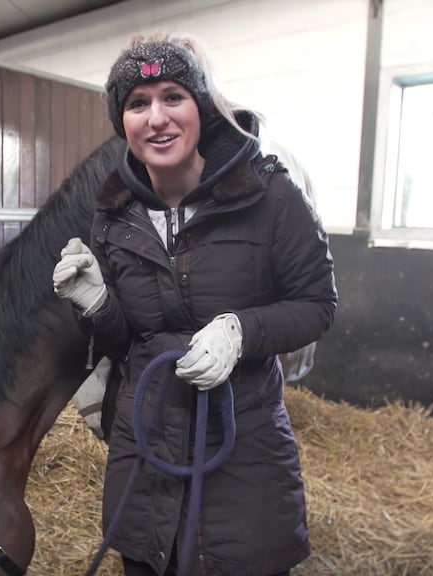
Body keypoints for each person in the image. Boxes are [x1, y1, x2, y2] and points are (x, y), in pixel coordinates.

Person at [52, 33, 337, 576]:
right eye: (138, 104)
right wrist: (96, 304)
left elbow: (318, 304)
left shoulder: (271, 195)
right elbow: (126, 342)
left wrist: (240, 331)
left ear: (201, 107)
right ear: (123, 123)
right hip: (146, 452)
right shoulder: (113, 214)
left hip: (242, 453)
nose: (156, 118)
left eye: (172, 97)